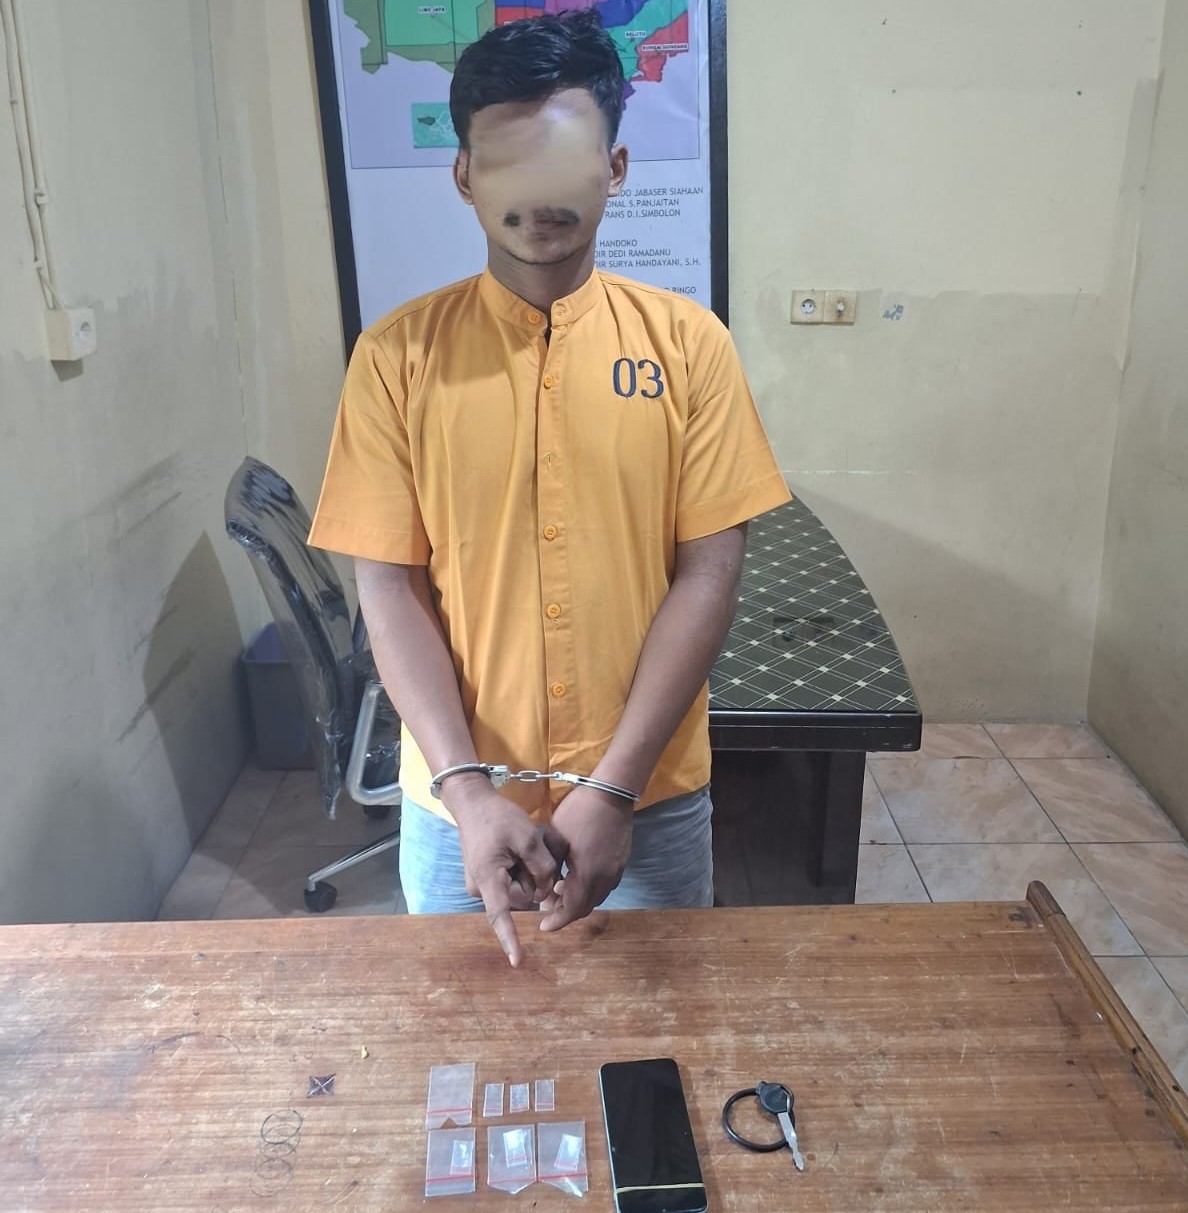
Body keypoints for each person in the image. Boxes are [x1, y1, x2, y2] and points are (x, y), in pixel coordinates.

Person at [308, 10, 790, 966]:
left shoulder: (689, 347)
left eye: (564, 162)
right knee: (471, 1031)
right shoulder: (397, 359)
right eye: (508, 164)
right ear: (465, 177)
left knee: (655, 1031)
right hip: (460, 807)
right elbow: (388, 587)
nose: (538, 197)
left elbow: (708, 574)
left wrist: (613, 785)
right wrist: (466, 791)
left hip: (645, 801)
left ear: (614, 169)